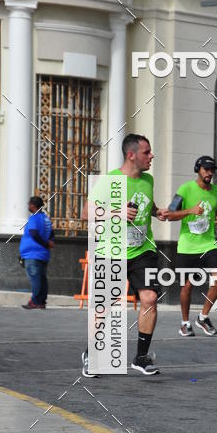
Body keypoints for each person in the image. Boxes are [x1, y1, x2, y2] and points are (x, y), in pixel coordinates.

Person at [81, 134, 168, 376]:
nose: (151, 156)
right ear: (131, 155)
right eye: (146, 152)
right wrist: (115, 212)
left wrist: (156, 212)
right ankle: (91, 354)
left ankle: (141, 357)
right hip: (112, 250)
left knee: (150, 298)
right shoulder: (110, 181)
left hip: (143, 250)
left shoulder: (148, 180)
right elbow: (86, 213)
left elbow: (146, 203)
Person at [165, 155, 217, 337]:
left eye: (212, 170)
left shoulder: (216, 191)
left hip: (208, 243)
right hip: (187, 246)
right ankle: (185, 323)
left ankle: (203, 317)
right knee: (187, 286)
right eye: (206, 169)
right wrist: (190, 210)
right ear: (198, 170)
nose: (209, 173)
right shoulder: (185, 189)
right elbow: (169, 214)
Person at [19, 196, 54, 309]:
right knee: (42, 278)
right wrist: (49, 243)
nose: (28, 205)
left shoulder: (33, 218)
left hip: (32, 254)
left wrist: (45, 244)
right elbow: (52, 234)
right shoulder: (46, 219)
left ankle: (35, 301)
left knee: (35, 279)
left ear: (33, 205)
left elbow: (33, 233)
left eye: (29, 204)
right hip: (43, 254)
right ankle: (41, 301)